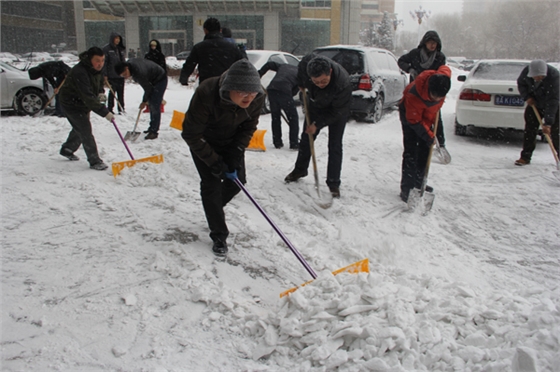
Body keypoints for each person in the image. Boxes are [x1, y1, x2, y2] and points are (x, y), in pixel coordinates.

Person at [181, 59, 265, 256]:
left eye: (252, 93)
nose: (249, 98)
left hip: (231, 141)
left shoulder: (258, 96)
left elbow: (248, 126)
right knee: (211, 184)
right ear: (229, 89)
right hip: (204, 141)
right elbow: (191, 133)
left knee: (237, 182)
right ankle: (219, 234)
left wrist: (236, 151)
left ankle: (214, 209)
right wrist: (215, 162)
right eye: (243, 93)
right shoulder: (207, 92)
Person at [284, 55, 352, 198]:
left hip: (337, 110)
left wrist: (318, 124)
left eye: (323, 81)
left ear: (330, 72)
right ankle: (300, 170)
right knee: (306, 139)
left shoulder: (342, 83)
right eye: (316, 82)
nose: (320, 84)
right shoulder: (307, 65)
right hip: (316, 105)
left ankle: (333, 183)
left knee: (335, 145)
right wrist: (301, 83)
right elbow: (302, 67)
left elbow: (337, 112)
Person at [398, 65, 452, 203]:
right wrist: (429, 136)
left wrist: (439, 137)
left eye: (440, 97)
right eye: (435, 97)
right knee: (412, 151)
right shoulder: (414, 94)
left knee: (424, 151)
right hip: (410, 117)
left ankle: (419, 184)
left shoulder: (441, 83)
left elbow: (444, 68)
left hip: (426, 116)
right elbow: (414, 121)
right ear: (429, 89)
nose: (437, 100)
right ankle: (407, 188)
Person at [57, 47, 114, 171]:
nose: (100, 64)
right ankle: (94, 161)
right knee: (85, 129)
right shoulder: (80, 72)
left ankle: (67, 149)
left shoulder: (95, 69)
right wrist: (105, 113)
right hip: (71, 103)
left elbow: (98, 83)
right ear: (89, 59)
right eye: (97, 60)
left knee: (80, 126)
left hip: (82, 103)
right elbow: (87, 96)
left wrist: (100, 92)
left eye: (103, 60)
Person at [398, 31, 448, 149]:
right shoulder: (415, 54)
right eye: (430, 42)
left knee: (435, 118)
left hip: (432, 93)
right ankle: (417, 141)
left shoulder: (439, 57)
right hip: (416, 92)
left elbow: (442, 72)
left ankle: (440, 143)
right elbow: (401, 61)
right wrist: (410, 69)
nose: (432, 45)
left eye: (435, 43)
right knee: (415, 119)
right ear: (424, 43)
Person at [515, 60, 559, 166]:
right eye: (535, 77)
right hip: (534, 104)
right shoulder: (526, 72)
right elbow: (521, 84)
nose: (537, 79)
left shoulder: (554, 77)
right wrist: (527, 97)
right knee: (530, 130)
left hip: (553, 105)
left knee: (555, 132)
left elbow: (553, 100)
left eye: (540, 77)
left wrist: (548, 123)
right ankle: (525, 157)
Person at [179, 17, 244, 86]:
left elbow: (189, 65)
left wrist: (184, 79)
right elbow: (242, 64)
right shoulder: (232, 47)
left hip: (206, 84)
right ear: (220, 30)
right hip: (226, 84)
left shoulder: (199, 47)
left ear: (205, 30)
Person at [115, 59, 168, 140]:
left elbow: (148, 88)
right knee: (151, 103)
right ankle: (152, 127)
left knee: (154, 104)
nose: (125, 77)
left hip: (160, 79)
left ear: (127, 68)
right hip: (153, 78)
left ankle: (154, 132)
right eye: (123, 76)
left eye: (125, 74)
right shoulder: (131, 66)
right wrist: (146, 100)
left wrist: (144, 101)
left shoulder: (138, 73)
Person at [258, 61, 300, 149]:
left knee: (275, 117)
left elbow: (269, 64)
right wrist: (285, 100)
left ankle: (277, 142)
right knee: (293, 118)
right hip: (284, 90)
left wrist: (259, 74)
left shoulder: (283, 66)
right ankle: (294, 143)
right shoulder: (300, 74)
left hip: (272, 89)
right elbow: (295, 91)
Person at [102, 31, 126, 114]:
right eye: (116, 38)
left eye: (119, 38)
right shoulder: (107, 49)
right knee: (112, 92)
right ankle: (110, 108)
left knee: (121, 92)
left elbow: (123, 61)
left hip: (121, 75)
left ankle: (121, 108)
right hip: (112, 75)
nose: (117, 40)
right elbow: (104, 63)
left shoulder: (120, 49)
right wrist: (105, 74)